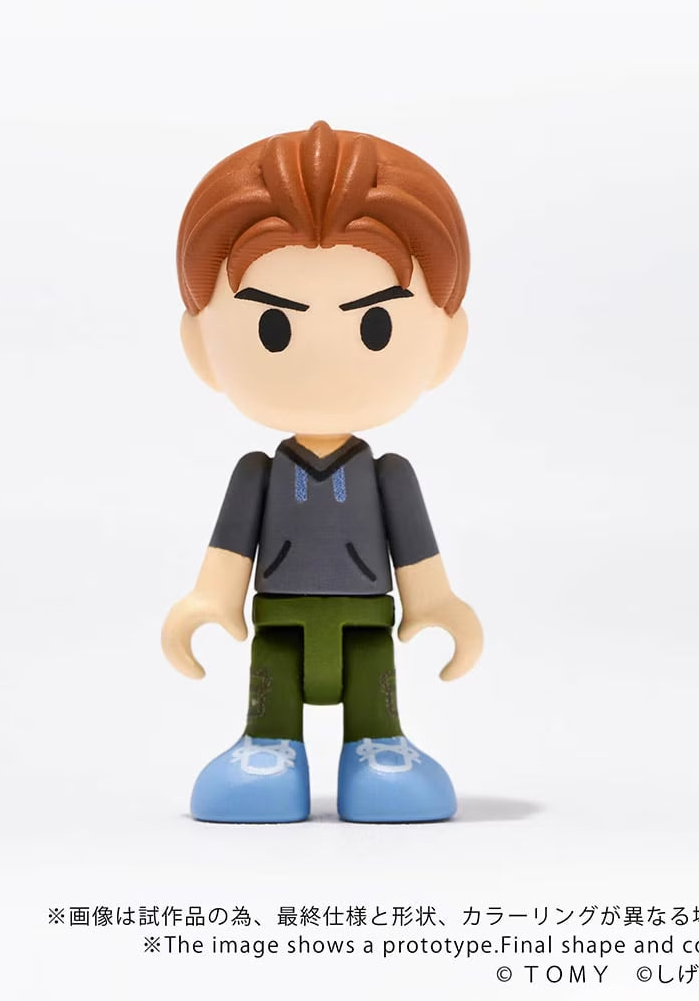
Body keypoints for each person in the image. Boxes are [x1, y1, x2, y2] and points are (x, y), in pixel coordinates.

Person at [162, 120, 482, 822]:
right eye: (273, 327)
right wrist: (210, 599)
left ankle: (379, 747)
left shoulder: (388, 476)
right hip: (278, 618)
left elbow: (416, 555)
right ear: (201, 346)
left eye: (375, 326)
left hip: (367, 620)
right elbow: (229, 550)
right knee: (271, 685)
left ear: (446, 343)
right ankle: (268, 747)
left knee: (374, 689)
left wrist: (435, 603)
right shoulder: (258, 474)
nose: (324, 363)